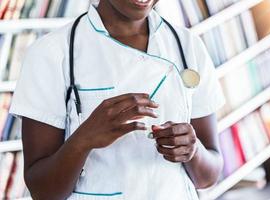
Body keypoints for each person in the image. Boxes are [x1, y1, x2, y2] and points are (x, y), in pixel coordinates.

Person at [10, 0, 225, 199]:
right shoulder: (50, 54)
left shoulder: (188, 46)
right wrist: (84, 139)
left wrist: (193, 151)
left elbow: (208, 176)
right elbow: (42, 191)